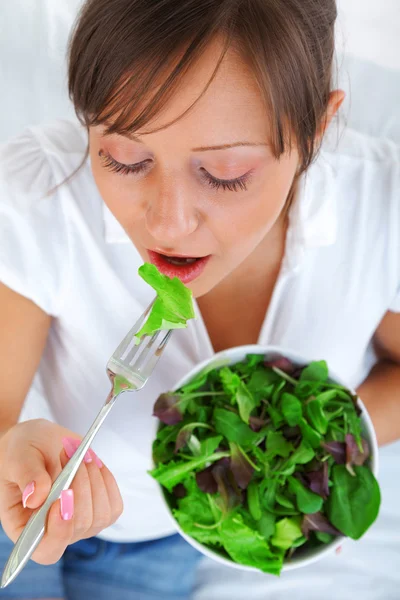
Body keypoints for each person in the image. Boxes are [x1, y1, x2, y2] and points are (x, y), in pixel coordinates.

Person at [0, 0, 399, 598]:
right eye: (125, 158)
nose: (169, 222)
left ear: (317, 128)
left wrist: (310, 448)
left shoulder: (381, 210)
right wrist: (10, 447)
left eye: (226, 173)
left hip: (161, 543)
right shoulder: (45, 191)